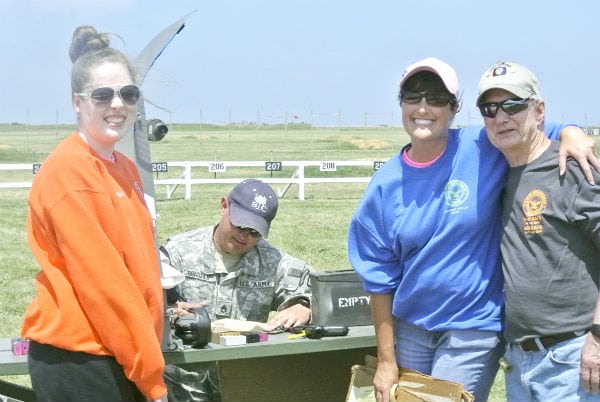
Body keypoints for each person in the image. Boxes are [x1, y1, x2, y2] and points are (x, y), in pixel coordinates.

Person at [347, 57, 599, 402]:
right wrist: (387, 360)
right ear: (401, 105)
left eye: (436, 99)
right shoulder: (384, 186)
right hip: (412, 329)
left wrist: (573, 131)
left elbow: (538, 129)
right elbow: (378, 277)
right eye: (413, 97)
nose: (423, 108)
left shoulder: (480, 147)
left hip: (474, 327)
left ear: (454, 108)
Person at [21, 26, 168, 402]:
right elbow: (106, 286)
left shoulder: (124, 167)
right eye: (102, 95)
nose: (117, 105)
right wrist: (152, 379)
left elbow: (137, 266)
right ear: (77, 102)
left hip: (122, 353)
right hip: (81, 361)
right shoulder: (70, 173)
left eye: (128, 94)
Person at [477, 61, 600, 401]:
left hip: (574, 358)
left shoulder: (572, 169)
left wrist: (598, 339)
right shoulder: (497, 174)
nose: (501, 117)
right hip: (519, 362)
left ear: (539, 109)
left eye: (513, 105)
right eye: (490, 108)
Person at [161, 179, 313, 402]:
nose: (244, 236)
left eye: (254, 232)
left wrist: (304, 306)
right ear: (224, 206)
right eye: (239, 225)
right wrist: (173, 310)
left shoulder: (272, 261)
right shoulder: (178, 252)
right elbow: (148, 300)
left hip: (244, 382)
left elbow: (320, 287)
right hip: (183, 385)